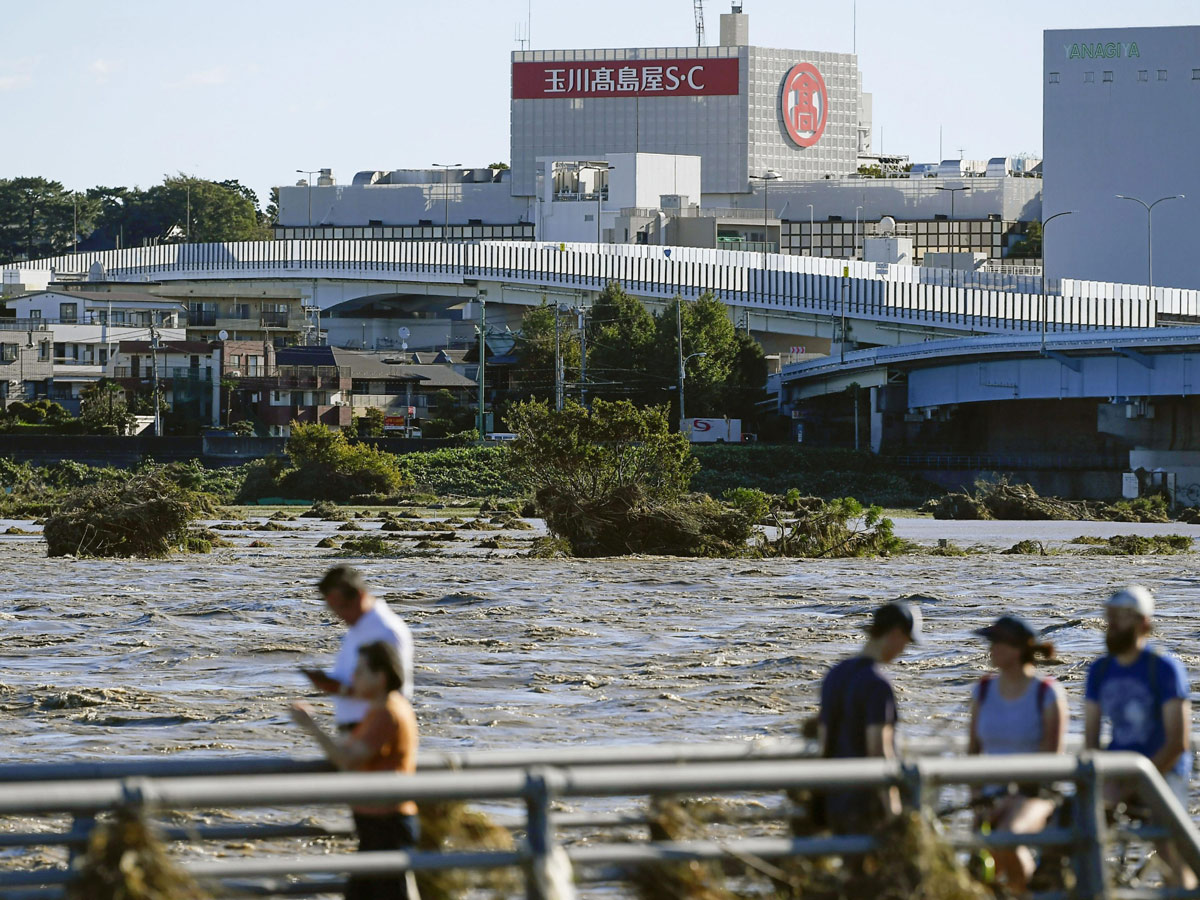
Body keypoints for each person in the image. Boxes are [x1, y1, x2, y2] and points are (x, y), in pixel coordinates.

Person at [1085, 585, 1195, 888]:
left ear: (1143, 623)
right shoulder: (1099, 670)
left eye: (1121, 618)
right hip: (1117, 772)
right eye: (1110, 618)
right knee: (1075, 825)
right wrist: (1100, 779)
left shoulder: (1163, 668)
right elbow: (1091, 741)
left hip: (1163, 770)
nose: (1112, 625)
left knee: (1169, 855)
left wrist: (1141, 778)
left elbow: (1177, 742)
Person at [292, 640, 420, 900]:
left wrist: (311, 726)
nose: (353, 677)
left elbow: (347, 759)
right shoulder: (380, 709)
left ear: (381, 677)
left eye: (360, 671)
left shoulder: (388, 712)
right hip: (377, 824)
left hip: (387, 826)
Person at [967, 614, 1067, 893]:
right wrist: (977, 799)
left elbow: (1052, 759)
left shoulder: (1047, 693)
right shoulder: (984, 691)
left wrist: (1014, 796)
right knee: (986, 861)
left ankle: (1028, 893)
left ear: (1018, 649)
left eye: (998, 643)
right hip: (990, 795)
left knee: (1007, 836)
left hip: (1036, 794)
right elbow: (972, 752)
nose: (992, 650)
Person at [817, 600, 921, 833]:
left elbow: (824, 741)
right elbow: (879, 750)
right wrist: (892, 808)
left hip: (834, 799)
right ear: (895, 634)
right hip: (865, 804)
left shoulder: (835, 675)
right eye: (906, 642)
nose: (904, 650)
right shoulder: (878, 685)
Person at [303, 565, 414, 731]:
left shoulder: (385, 630)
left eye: (342, 607)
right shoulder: (358, 627)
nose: (338, 615)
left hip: (375, 732)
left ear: (360, 596)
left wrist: (336, 688)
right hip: (358, 729)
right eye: (332, 609)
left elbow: (394, 693)